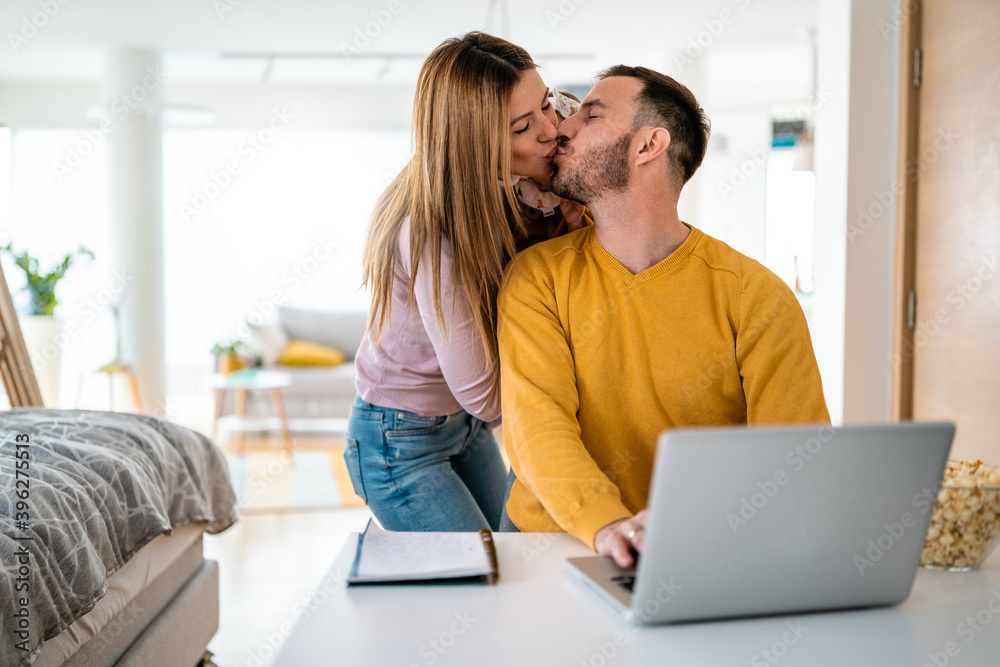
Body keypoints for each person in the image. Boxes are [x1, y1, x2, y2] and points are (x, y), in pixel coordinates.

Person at [497, 66, 830, 565]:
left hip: (697, 553)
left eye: (591, 114)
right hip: (552, 545)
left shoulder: (756, 296)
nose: (562, 127)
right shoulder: (535, 278)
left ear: (647, 146)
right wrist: (609, 525)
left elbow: (793, 455)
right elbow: (537, 427)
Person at [345, 32, 583, 532]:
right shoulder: (434, 229)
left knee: (509, 555)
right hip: (399, 439)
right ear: (476, 145)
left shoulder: (516, 187)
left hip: (464, 426)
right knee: (479, 579)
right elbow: (489, 397)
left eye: (546, 105)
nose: (551, 131)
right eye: (523, 126)